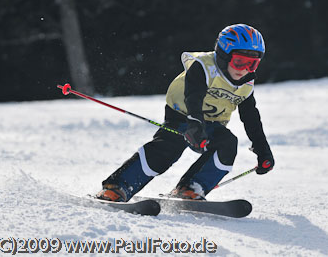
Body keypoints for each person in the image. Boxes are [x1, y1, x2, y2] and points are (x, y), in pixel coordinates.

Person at [96, 23, 274, 202]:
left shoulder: (245, 84)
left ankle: (190, 188)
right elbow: (193, 96)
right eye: (239, 62)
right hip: (183, 116)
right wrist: (194, 125)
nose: (245, 69)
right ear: (223, 55)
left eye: (253, 64)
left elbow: (251, 117)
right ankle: (117, 187)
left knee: (227, 144)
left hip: (212, 123)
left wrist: (262, 148)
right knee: (167, 149)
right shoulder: (204, 67)